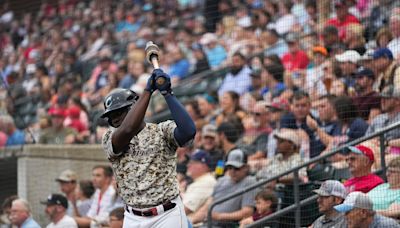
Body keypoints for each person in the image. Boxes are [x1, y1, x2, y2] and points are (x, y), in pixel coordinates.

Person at [101, 69, 196, 228]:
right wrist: (148, 90)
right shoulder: (110, 138)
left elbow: (188, 132)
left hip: (167, 214)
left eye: (120, 112)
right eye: (111, 116)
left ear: (136, 108)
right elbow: (128, 129)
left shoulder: (161, 130)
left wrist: (167, 94)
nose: (115, 118)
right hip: (133, 217)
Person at [189, 149, 258, 227]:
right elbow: (207, 206)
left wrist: (220, 216)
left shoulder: (249, 182)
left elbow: (247, 212)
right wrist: (191, 221)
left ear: (246, 167)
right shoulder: (222, 180)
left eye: (236, 168)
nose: (232, 171)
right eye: (230, 167)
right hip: (208, 224)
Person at [334, 192, 400, 228]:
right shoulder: (354, 225)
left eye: (348, 212)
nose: (345, 215)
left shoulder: (386, 225)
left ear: (363, 213)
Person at [183, 150, 217, 216]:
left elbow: (186, 209)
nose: (188, 165)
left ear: (204, 166)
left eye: (192, 162)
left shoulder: (206, 182)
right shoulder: (202, 180)